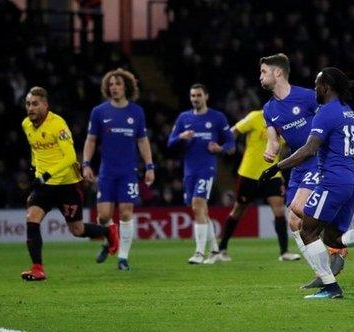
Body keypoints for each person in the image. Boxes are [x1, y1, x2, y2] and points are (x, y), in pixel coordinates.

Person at [259, 67, 354, 299]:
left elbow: (309, 150)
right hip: (350, 181)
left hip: (331, 181)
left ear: (326, 87)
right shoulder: (348, 112)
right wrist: (353, 153)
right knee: (333, 238)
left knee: (307, 230)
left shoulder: (325, 113)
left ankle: (330, 287)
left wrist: (276, 167)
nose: (314, 89)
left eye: (317, 84)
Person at [259, 53, 348, 285]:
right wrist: (270, 150)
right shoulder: (268, 109)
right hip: (297, 164)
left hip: (317, 158)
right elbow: (274, 140)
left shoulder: (308, 97)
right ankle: (322, 273)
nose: (260, 77)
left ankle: (336, 244)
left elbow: (334, 117)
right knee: (294, 221)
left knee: (300, 207)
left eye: (264, 72)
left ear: (278, 72)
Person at [20, 86, 118, 281]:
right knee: (32, 218)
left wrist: (47, 174)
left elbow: (70, 157)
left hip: (67, 184)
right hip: (44, 186)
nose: (31, 108)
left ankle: (108, 231)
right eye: (28, 104)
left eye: (35, 104)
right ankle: (38, 268)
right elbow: (35, 150)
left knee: (77, 230)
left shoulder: (57, 124)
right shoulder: (26, 125)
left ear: (45, 105)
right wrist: (33, 169)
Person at [82, 68, 155, 271]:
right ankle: (109, 239)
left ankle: (123, 258)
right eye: (111, 84)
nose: (114, 87)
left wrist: (150, 166)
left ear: (126, 87)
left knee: (125, 212)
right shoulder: (99, 112)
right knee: (104, 216)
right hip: (107, 172)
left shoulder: (136, 112)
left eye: (118, 84)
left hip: (128, 172)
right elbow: (91, 140)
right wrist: (86, 164)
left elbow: (142, 140)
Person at [217, 109, 301, 262]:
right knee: (238, 210)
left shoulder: (286, 121)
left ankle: (284, 252)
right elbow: (234, 130)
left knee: (279, 210)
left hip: (272, 174)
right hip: (249, 174)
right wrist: (229, 143)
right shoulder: (255, 117)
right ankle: (222, 248)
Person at [167, 83, 235, 264]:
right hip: (189, 170)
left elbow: (230, 142)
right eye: (192, 96)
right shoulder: (184, 118)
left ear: (206, 96)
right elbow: (170, 143)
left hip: (207, 168)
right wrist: (181, 137)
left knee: (198, 205)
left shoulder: (217, 117)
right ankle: (214, 251)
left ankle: (199, 253)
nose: (195, 99)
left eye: (198, 95)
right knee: (200, 210)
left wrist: (220, 148)